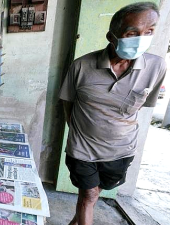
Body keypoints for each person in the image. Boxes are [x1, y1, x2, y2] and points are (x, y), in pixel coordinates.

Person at [59, 2, 166, 225]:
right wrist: (80, 132)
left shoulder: (156, 67)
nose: (141, 39)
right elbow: (67, 103)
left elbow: (142, 108)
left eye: (149, 32)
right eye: (132, 33)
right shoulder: (81, 66)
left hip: (120, 151)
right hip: (83, 148)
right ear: (112, 36)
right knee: (88, 195)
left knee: (95, 192)